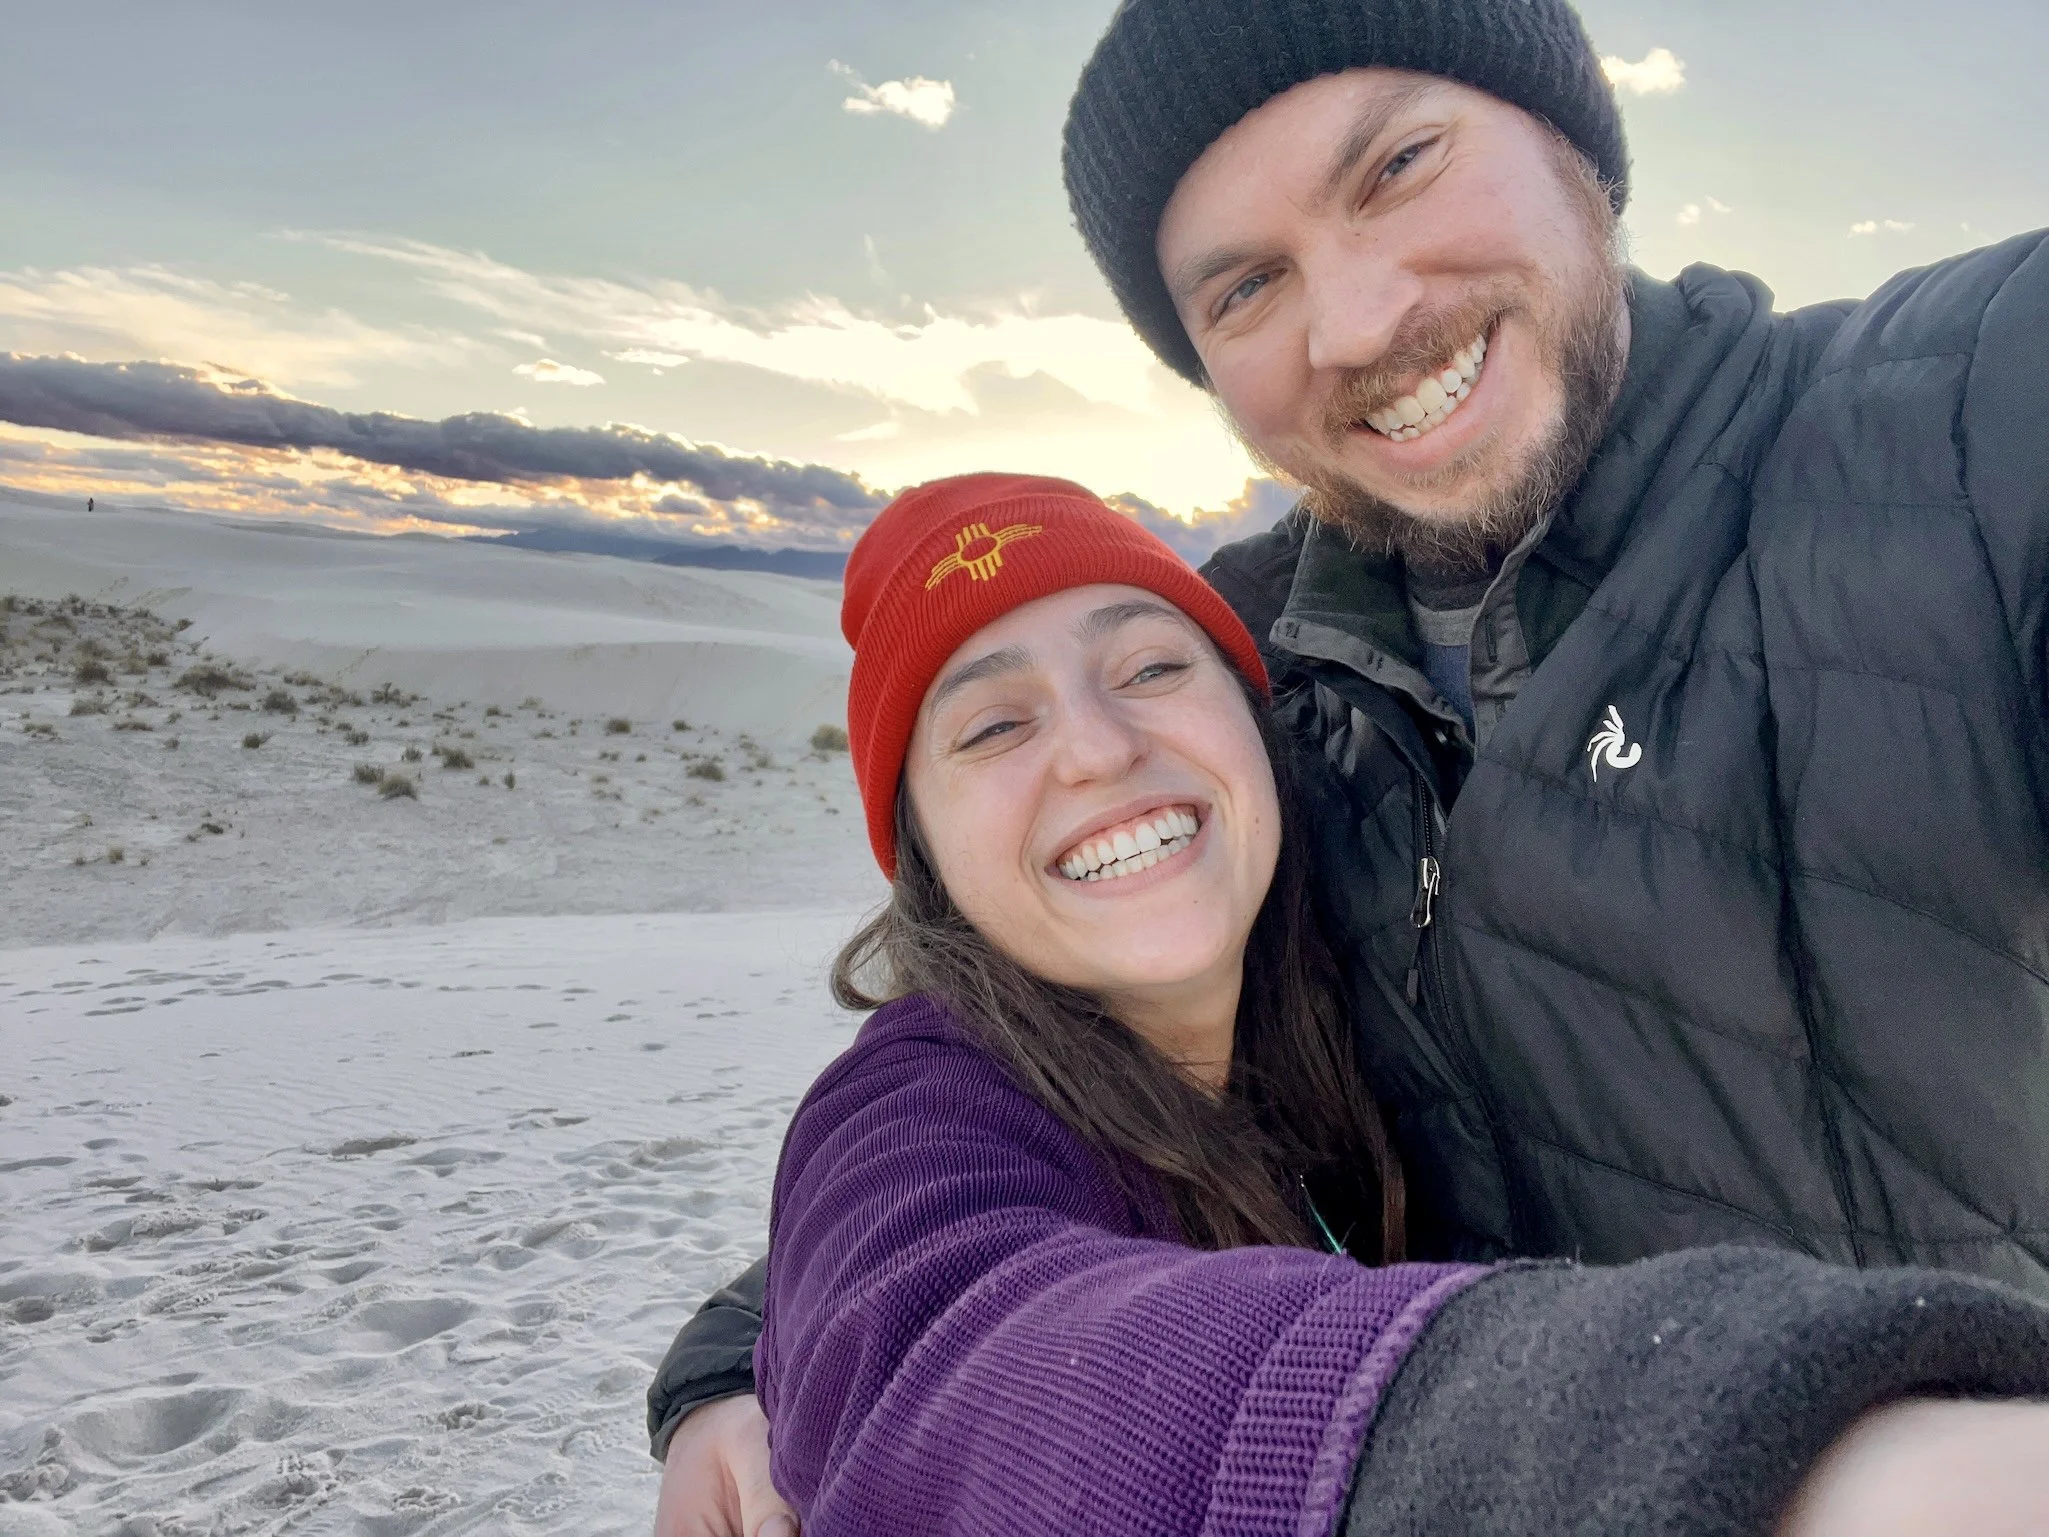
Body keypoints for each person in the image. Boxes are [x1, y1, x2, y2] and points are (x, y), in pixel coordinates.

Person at [653, 0, 2049, 1521]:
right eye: (1247, 286)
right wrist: (766, 1339)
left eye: (1397, 165)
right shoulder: (1256, 668)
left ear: (1576, 138)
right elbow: (1051, 1072)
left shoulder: (1972, 424)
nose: (1365, 323)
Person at [719, 471, 2049, 1537]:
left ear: (1258, 728)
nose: (1099, 746)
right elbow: (947, 1355)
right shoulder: (913, 1098)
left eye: (1150, 668)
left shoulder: (1346, 998)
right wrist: (1804, 1467)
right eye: (992, 729)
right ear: (926, 858)